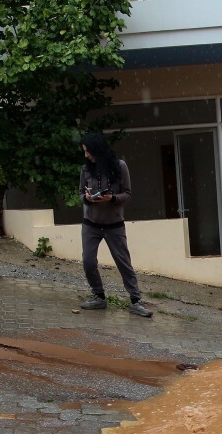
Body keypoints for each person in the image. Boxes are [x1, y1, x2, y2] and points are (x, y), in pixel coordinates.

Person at [77, 132, 152, 318]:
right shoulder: (86, 169)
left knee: (123, 263)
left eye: (88, 151)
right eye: (85, 152)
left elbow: (128, 194)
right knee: (88, 261)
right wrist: (86, 198)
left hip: (114, 225)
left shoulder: (120, 166)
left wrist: (112, 199)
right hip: (91, 224)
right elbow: (80, 193)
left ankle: (136, 300)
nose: (86, 155)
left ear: (98, 150)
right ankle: (99, 296)